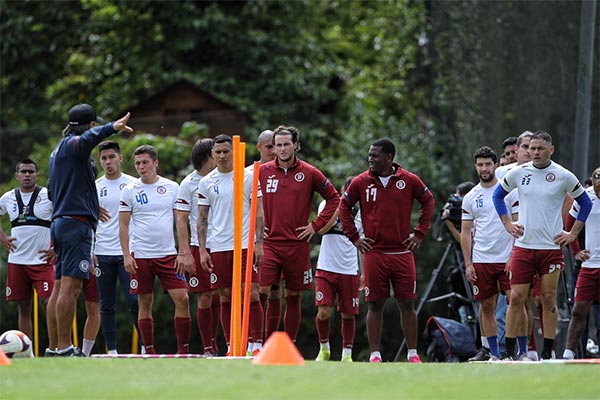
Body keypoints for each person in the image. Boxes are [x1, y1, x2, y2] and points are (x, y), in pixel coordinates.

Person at [493, 131, 592, 360]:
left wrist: (573, 233)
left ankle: (548, 353)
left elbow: (585, 202)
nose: (534, 152)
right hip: (524, 247)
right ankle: (509, 353)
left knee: (548, 299)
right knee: (516, 297)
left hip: (550, 248)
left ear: (551, 149)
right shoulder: (518, 173)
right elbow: (498, 196)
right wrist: (507, 222)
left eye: (539, 149)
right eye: (531, 148)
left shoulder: (563, 175)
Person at [47, 103, 133, 357]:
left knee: (60, 287)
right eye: (94, 125)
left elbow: (53, 191)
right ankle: (64, 348)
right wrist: (112, 128)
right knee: (71, 289)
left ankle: (53, 347)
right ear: (89, 125)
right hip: (75, 225)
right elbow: (87, 140)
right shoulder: (73, 145)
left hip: (62, 222)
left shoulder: (57, 152)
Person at [339, 138, 435, 363]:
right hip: (375, 252)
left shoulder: (408, 180)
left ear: (389, 158)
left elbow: (428, 201)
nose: (370, 159)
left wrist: (419, 233)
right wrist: (354, 237)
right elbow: (344, 206)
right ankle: (375, 354)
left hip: (402, 252)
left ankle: (412, 354)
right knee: (374, 303)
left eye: (375, 156)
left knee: (406, 302)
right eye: (369, 155)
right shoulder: (361, 181)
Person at [259, 125, 340, 342]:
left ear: (296, 145)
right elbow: (245, 201)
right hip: (268, 244)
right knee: (261, 292)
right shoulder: (262, 171)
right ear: (273, 148)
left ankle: (290, 346)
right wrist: (256, 228)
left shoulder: (310, 172)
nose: (283, 149)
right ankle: (260, 344)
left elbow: (334, 198)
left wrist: (315, 225)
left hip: (297, 245)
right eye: (279, 145)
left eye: (287, 144)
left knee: (292, 296)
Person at [119, 145, 191, 354]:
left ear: (155, 163)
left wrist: (183, 250)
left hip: (168, 254)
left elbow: (180, 220)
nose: (141, 167)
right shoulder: (129, 190)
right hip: (140, 255)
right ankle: (148, 350)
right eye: (138, 163)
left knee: (183, 299)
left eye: (145, 162)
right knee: (144, 301)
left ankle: (183, 351)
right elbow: (123, 225)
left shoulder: (172, 187)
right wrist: (126, 255)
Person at [197, 134, 264, 355]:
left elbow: (259, 213)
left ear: (234, 152)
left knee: (251, 292)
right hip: (219, 246)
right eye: (218, 152)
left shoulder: (248, 176)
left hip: (245, 244)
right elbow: (202, 218)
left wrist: (260, 243)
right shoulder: (207, 182)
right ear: (213, 155)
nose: (223, 156)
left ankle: (256, 344)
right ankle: (231, 344)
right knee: (224, 295)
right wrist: (203, 249)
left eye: (227, 151)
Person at [460, 147, 513, 361]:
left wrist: (514, 254)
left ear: (495, 165)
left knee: (516, 302)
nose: (484, 168)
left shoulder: (508, 191)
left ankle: (518, 351)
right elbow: (465, 233)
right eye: (480, 164)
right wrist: (468, 263)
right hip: (482, 259)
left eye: (488, 164)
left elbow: (519, 223)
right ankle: (493, 353)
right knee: (486, 305)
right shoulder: (471, 196)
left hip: (508, 257)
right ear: (476, 167)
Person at [174, 138, 221, 356]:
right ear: (207, 156)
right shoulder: (188, 184)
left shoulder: (221, 179)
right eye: (216, 153)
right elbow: (181, 219)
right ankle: (208, 348)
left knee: (222, 295)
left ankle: (221, 343)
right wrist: (184, 253)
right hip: (197, 246)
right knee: (203, 297)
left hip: (222, 244)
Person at [0, 159, 54, 346]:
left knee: (48, 303)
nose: (27, 175)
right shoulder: (8, 197)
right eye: (23, 171)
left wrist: (57, 247)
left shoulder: (48, 195)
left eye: (31, 171)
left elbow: (62, 219)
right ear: (17, 175)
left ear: (37, 175)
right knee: (23, 306)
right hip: (17, 260)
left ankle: (56, 347)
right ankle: (26, 350)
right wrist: (3, 238)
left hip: (42, 260)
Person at [94, 140, 140, 355]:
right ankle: (111, 350)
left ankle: (145, 346)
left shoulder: (133, 184)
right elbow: (88, 222)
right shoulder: (95, 187)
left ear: (120, 158)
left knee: (134, 300)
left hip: (127, 253)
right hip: (101, 252)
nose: (108, 161)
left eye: (112, 157)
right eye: (104, 158)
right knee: (106, 303)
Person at [314, 176, 363, 363]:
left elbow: (362, 245)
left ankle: (347, 354)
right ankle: (324, 348)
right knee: (324, 311)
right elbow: (322, 230)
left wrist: (363, 273)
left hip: (349, 269)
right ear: (342, 191)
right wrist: (337, 209)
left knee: (348, 313)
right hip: (326, 266)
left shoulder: (361, 214)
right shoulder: (326, 205)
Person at [562, 167, 600, 359]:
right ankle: (568, 355)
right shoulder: (586, 197)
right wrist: (576, 251)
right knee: (579, 309)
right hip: (590, 265)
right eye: (597, 186)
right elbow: (569, 225)